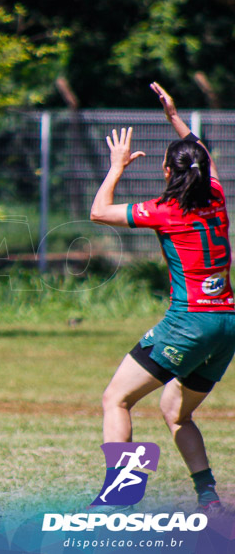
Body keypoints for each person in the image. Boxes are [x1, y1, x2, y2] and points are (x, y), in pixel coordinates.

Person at [90, 82, 234, 511]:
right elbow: (201, 155)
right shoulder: (219, 197)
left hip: (190, 321)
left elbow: (98, 212)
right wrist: (173, 114)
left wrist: (116, 167)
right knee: (176, 412)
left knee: (116, 399)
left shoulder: (164, 211)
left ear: (169, 173)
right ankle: (208, 497)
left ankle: (120, 495)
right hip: (228, 322)